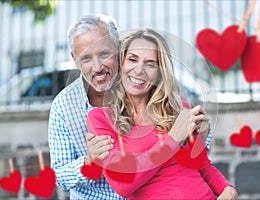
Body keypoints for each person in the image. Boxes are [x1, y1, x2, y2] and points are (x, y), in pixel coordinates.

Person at [48, 14, 213, 199]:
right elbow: (59, 175)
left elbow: (193, 151)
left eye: (104, 54)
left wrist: (201, 137)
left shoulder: (148, 83)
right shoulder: (64, 106)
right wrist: (88, 161)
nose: (98, 67)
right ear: (74, 59)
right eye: (86, 58)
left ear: (119, 48)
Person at [87, 29, 238, 199]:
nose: (139, 70)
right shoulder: (100, 118)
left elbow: (201, 165)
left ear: (160, 72)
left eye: (150, 63)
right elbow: (123, 185)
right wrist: (173, 138)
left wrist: (227, 189)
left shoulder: (178, 109)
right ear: (121, 65)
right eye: (132, 59)